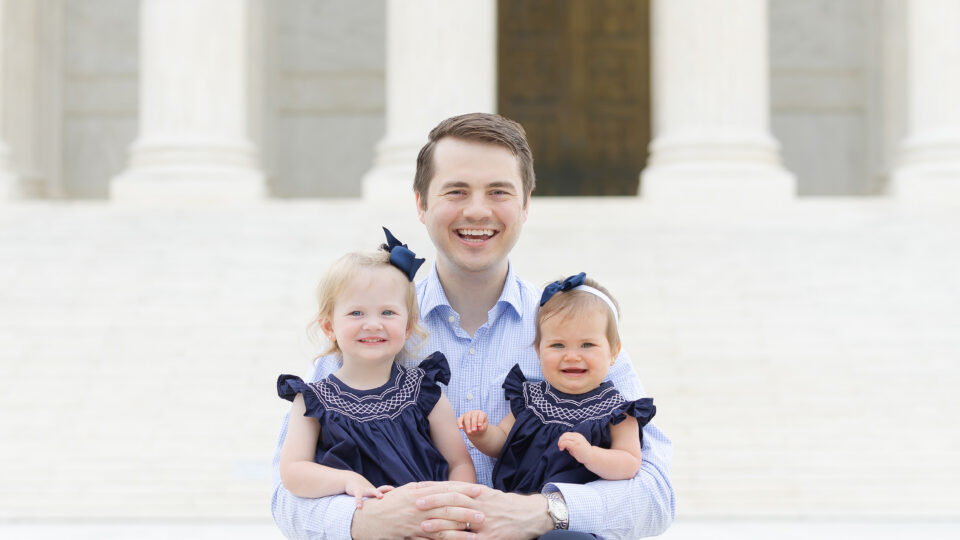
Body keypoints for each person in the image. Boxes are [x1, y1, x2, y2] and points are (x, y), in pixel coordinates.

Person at [271, 112, 675, 539]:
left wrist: (542, 511)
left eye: (498, 191)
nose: (478, 210)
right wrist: (365, 520)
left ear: (525, 205)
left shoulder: (580, 333)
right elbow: (286, 496)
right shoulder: (370, 332)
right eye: (456, 191)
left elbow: (656, 496)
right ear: (421, 204)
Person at [275, 229, 475, 509]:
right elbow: (293, 471)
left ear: (407, 327)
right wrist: (346, 480)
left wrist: (453, 504)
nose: (372, 324)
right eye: (356, 313)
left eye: (387, 312)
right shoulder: (312, 401)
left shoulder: (424, 392)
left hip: (428, 520)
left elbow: (459, 463)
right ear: (329, 326)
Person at [457, 273, 656, 494]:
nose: (572, 356)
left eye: (587, 344)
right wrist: (481, 434)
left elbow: (629, 462)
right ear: (538, 351)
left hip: (571, 519)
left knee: (564, 532)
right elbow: (503, 442)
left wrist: (591, 455)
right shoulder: (532, 400)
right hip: (512, 508)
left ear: (613, 352)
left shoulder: (616, 411)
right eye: (558, 345)